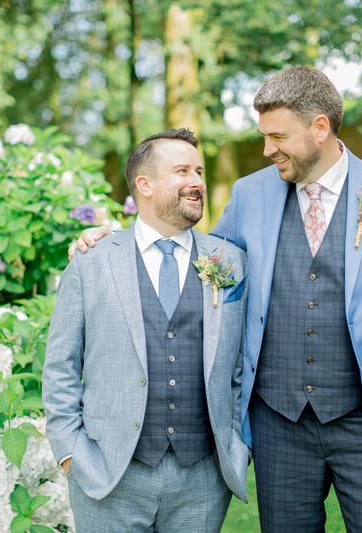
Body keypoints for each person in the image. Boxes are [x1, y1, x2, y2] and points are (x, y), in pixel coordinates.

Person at [74, 66, 362, 532]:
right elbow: (198, 260)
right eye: (264, 136)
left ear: (320, 127)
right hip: (278, 426)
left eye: (278, 136)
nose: (267, 149)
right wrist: (112, 239)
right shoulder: (250, 194)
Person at [43, 128, 250, 533]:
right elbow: (60, 368)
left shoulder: (231, 262)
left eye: (200, 171)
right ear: (145, 184)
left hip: (203, 480)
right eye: (182, 171)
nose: (197, 182)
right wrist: (71, 454)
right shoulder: (92, 261)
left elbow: (242, 365)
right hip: (109, 476)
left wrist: (238, 446)